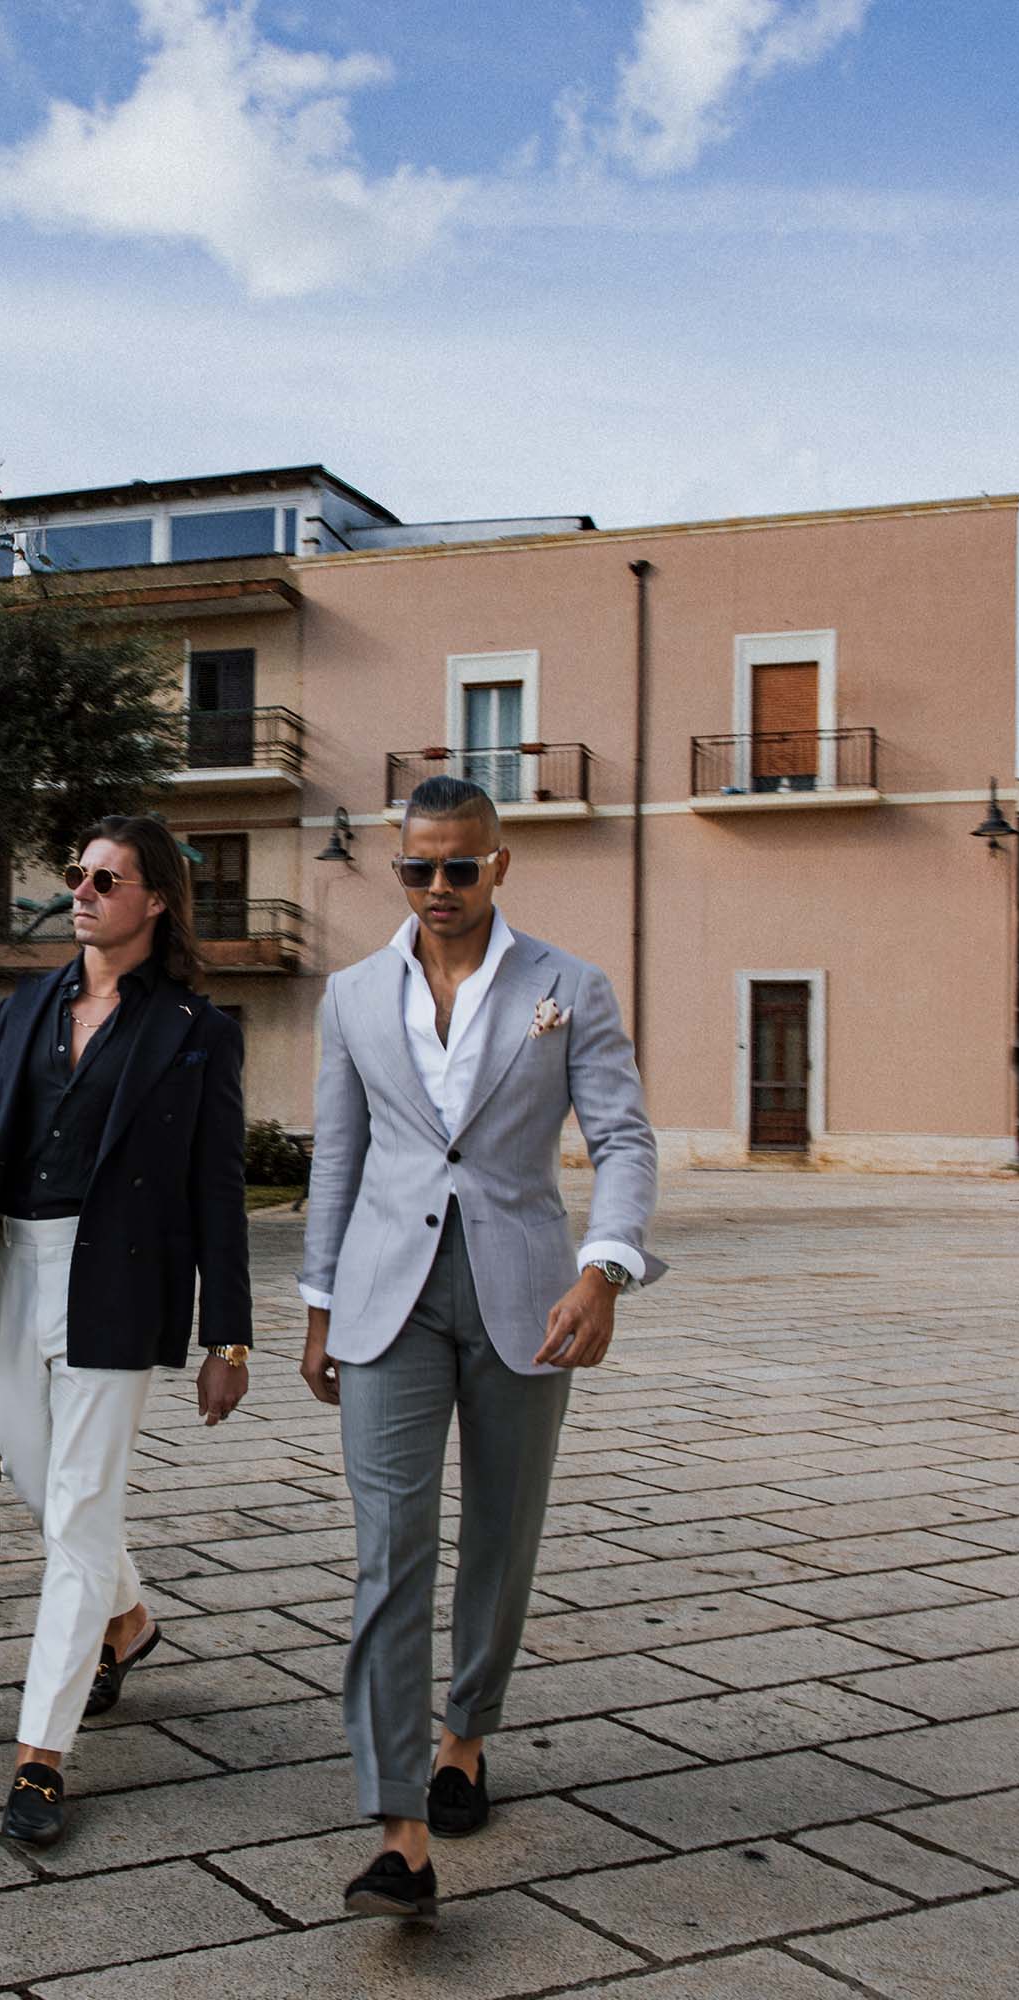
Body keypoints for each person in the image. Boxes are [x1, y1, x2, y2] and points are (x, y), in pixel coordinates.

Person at [299, 773, 665, 1923]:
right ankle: (398, 1824)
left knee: (500, 1535)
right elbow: (337, 1157)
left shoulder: (570, 985)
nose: (440, 885)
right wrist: (317, 1305)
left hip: (524, 1291)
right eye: (418, 866)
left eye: (461, 865)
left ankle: (467, 1734)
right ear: (396, 868)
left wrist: (604, 1269)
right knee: (390, 1542)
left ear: (499, 862)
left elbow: (622, 1136)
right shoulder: (353, 994)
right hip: (384, 1299)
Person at [0, 814, 252, 1847]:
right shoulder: (26, 1006)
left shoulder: (195, 1029)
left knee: (77, 1509)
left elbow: (216, 1188)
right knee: (31, 1476)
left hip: (120, 1281)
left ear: (155, 899)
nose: (84, 888)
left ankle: (40, 1753)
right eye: (77, 873)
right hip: (16, 1269)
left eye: (108, 876)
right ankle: (132, 1620)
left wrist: (226, 1336)